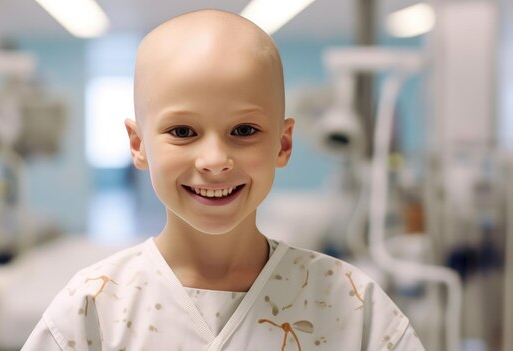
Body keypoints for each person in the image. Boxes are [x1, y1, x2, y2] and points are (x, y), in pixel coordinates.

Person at [23, 9, 425, 351]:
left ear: (283, 144)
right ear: (138, 144)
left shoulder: (353, 307)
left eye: (244, 131)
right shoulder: (93, 307)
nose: (215, 161)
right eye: (182, 132)